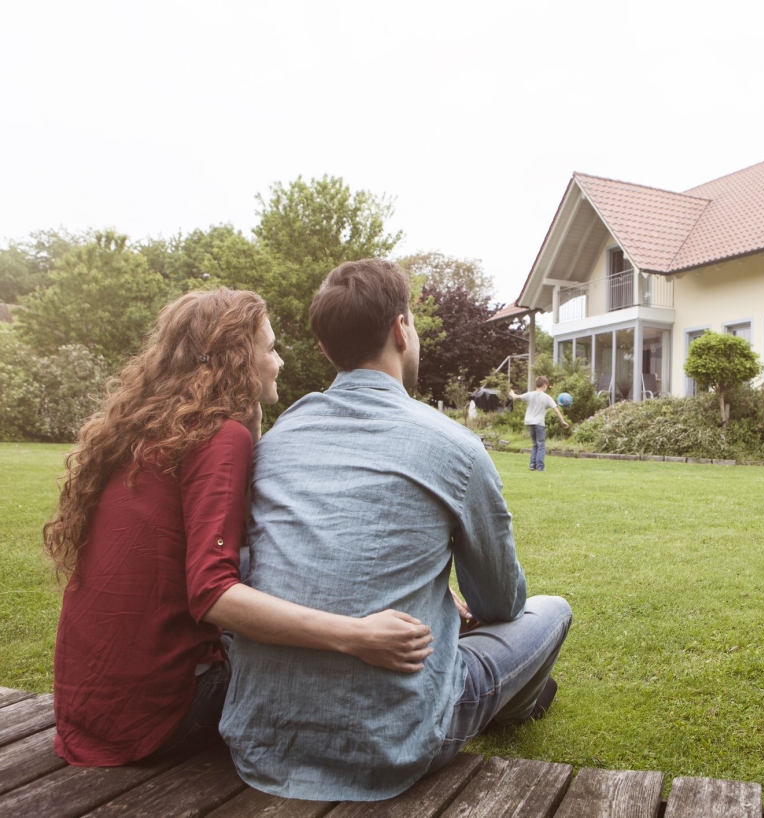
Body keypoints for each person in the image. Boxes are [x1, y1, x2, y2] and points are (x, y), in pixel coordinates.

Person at [220, 259, 572, 802]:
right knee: (551, 610)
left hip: (261, 740)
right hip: (399, 741)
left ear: (323, 348)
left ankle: (516, 693)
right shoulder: (454, 446)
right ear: (401, 328)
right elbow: (500, 603)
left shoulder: (280, 436)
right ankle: (518, 703)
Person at [47, 288, 433, 767]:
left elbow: (247, 537)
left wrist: (251, 424)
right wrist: (355, 634)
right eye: (270, 349)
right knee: (317, 650)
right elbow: (213, 595)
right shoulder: (217, 436)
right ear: (236, 360)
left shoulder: (149, 429)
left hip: (89, 710)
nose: (280, 363)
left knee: (262, 564)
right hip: (160, 716)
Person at [509, 376, 568, 471]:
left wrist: (512, 393)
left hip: (529, 422)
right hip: (539, 423)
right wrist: (563, 421)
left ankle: (532, 465)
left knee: (535, 444)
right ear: (545, 385)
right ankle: (540, 467)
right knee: (541, 445)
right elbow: (556, 410)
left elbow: (516, 397)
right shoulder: (547, 397)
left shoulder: (530, 394)